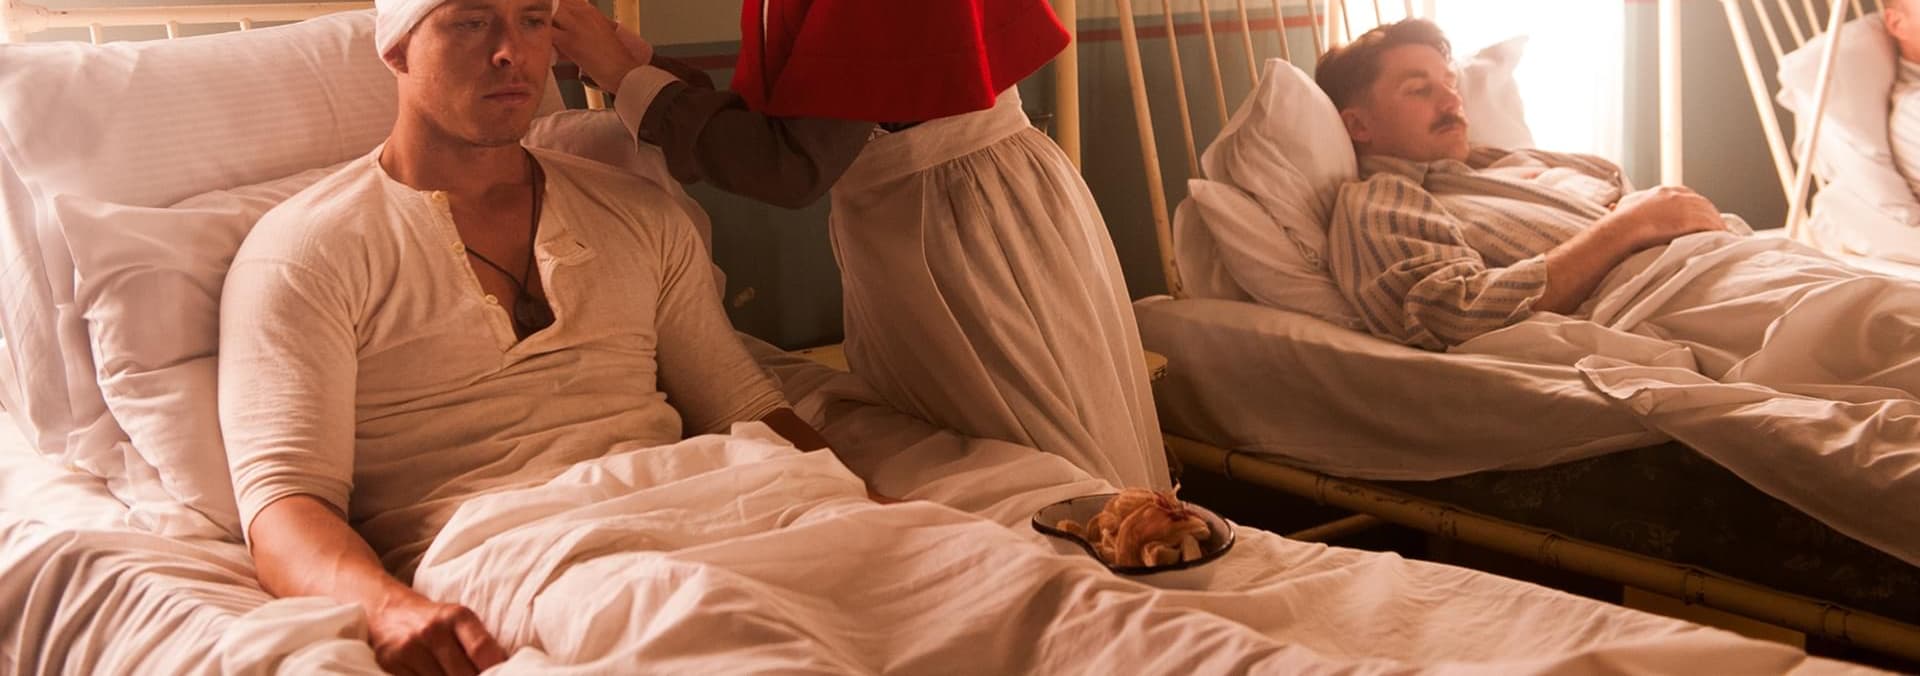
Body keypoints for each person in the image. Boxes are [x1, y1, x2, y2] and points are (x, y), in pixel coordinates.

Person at [216, 0, 862, 671]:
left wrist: (860, 503)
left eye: (531, 21)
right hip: (520, 550)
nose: (511, 53)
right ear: (396, 49)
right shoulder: (309, 251)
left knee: (938, 578)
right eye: (471, 22)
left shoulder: (637, 213)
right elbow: (285, 504)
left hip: (718, 505)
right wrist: (387, 610)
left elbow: (747, 407)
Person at [551, 0, 1172, 490]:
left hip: (962, 220)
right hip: (924, 217)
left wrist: (626, 76)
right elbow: (799, 112)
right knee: (991, 454)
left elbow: (791, 165)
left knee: (1042, 463)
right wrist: (643, 69)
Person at [1314, 19, 1738, 350]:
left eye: (1449, 83)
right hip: (1678, 300)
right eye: (1419, 90)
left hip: (1727, 262)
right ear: (1359, 126)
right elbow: (1451, 313)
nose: (1452, 100)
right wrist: (1632, 225)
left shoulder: (1501, 162)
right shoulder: (1384, 199)